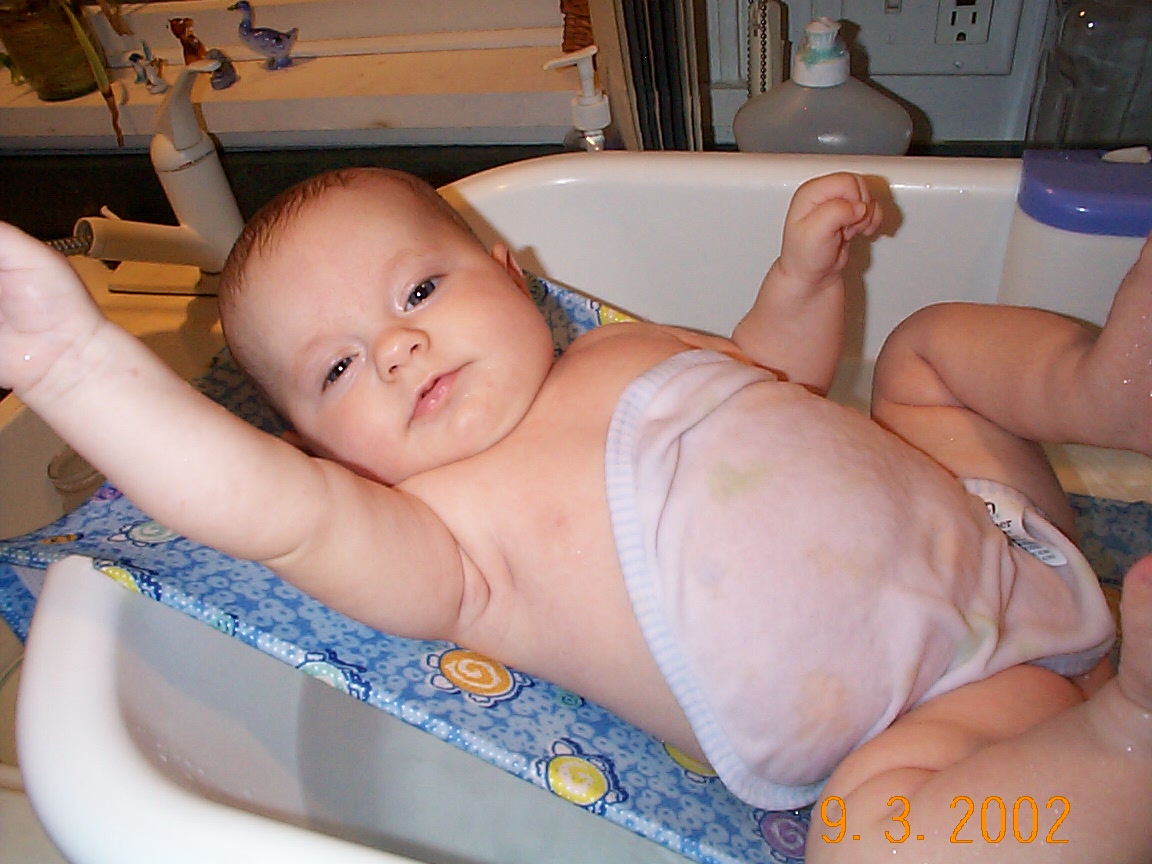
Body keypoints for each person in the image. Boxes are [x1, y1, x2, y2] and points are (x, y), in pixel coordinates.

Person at [0, 167, 1149, 863]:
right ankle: (1124, 739)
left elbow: (775, 375)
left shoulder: (616, 350)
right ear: (317, 449)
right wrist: (75, 368)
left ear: (511, 275)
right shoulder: (445, 541)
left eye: (418, 291)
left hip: (995, 522)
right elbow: (276, 515)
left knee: (924, 353)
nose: (397, 347)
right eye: (338, 368)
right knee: (866, 844)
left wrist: (802, 282)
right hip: (942, 709)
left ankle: (1108, 388)